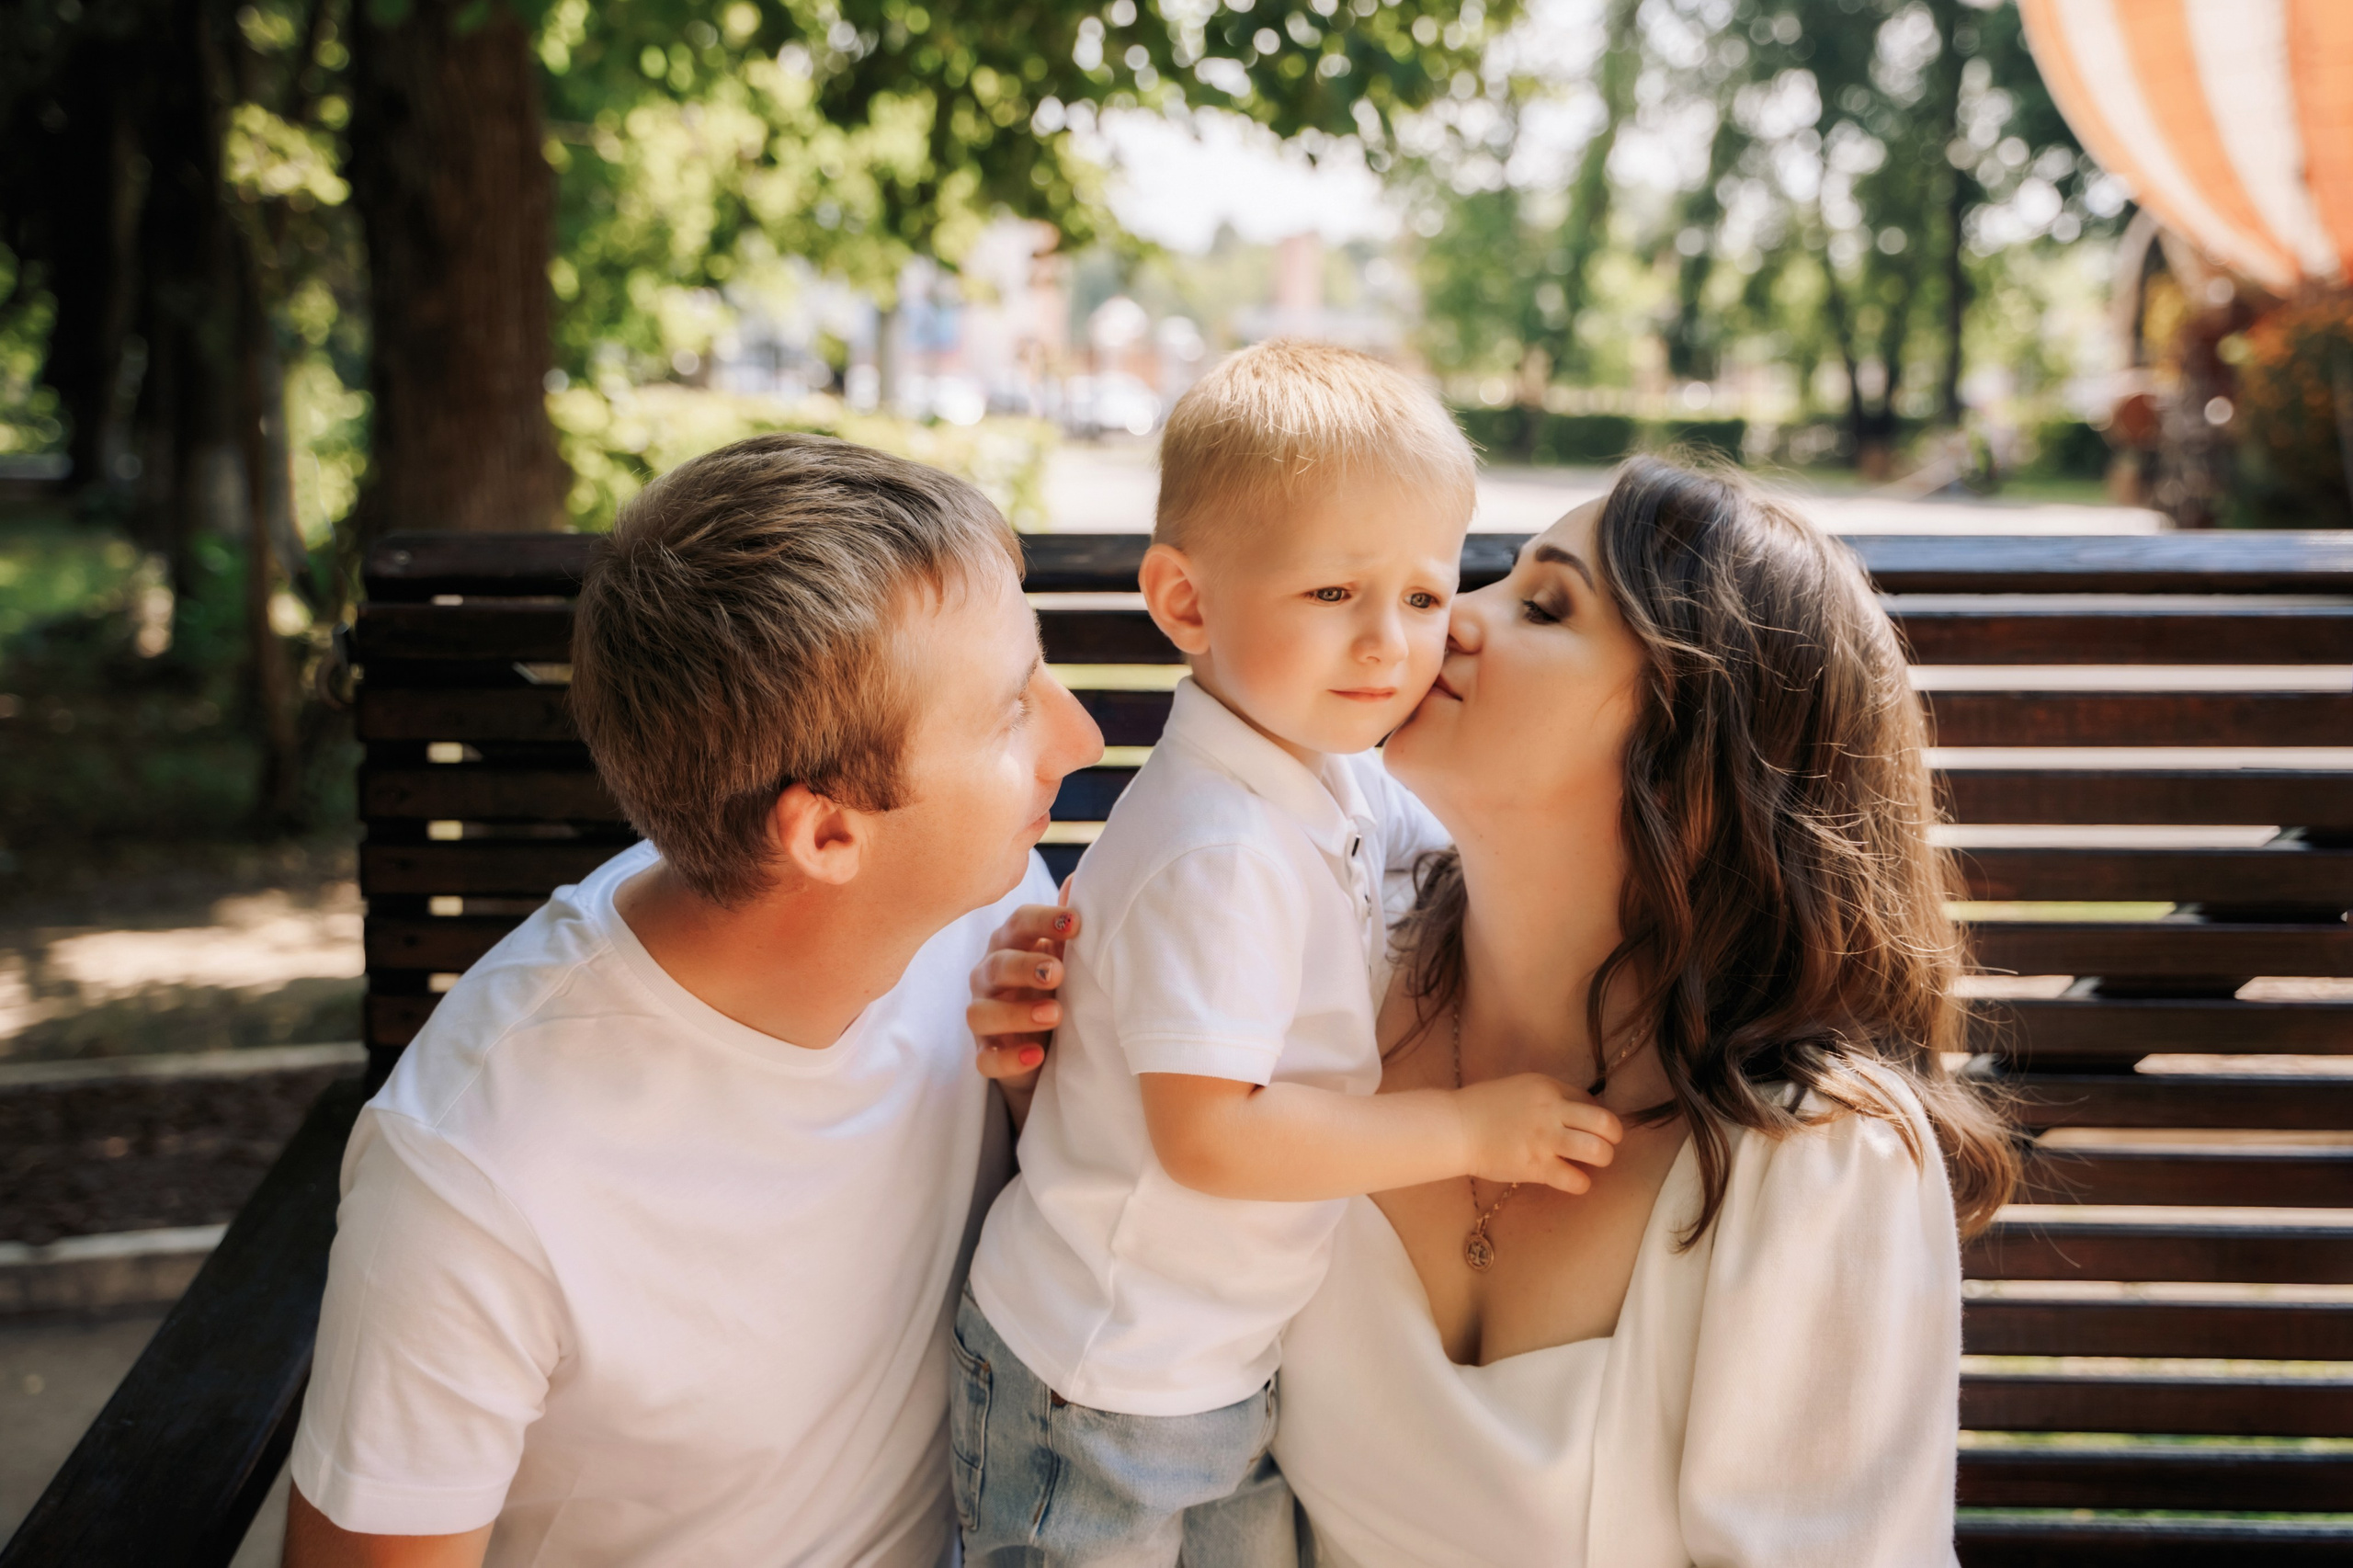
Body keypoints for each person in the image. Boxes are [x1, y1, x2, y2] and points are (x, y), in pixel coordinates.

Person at [972, 457, 2018, 1566]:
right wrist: (1067, 1062)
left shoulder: (1817, 1158)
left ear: (1695, 758)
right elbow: (1158, 1255)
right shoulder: (1328, 972)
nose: (1445, 622)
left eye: (1542, 604)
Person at [282, 435, 1105, 1567]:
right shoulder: (478, 1180)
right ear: (825, 831)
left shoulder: (980, 907)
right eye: (1011, 710)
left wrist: (1032, 1104)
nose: (1083, 736)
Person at [953, 341, 1624, 1567]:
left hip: (1222, 1355)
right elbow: (1211, 1135)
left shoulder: (1342, 773)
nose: (1389, 645)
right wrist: (1476, 1129)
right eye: (1333, 595)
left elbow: (1471, 867)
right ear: (1188, 603)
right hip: (1103, 1372)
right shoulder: (1219, 845)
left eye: (1425, 597)